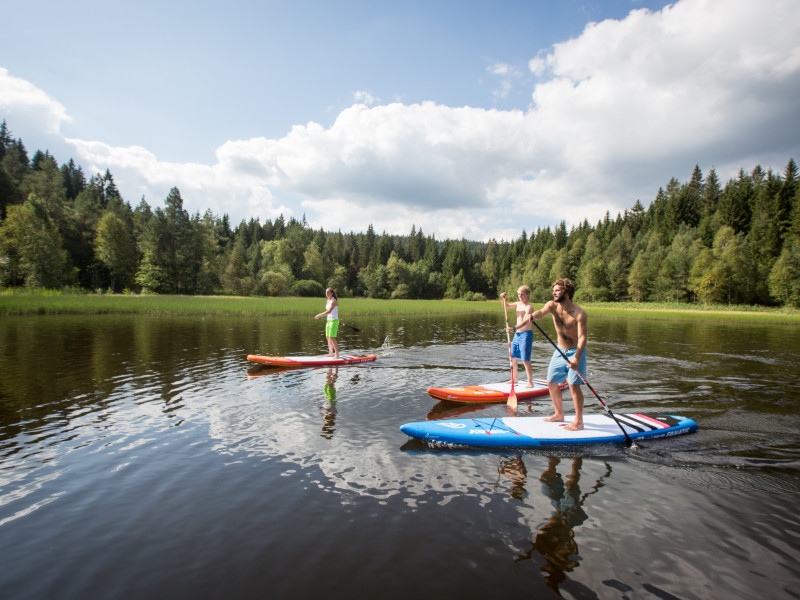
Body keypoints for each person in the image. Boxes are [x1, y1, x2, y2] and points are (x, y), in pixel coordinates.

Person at [531, 278, 587, 430]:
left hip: (576, 351)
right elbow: (541, 313)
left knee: (574, 386)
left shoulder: (579, 313)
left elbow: (582, 338)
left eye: (557, 290)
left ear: (567, 292)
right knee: (551, 382)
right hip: (560, 350)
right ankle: (559, 414)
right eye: (553, 290)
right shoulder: (552, 305)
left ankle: (579, 421)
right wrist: (533, 316)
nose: (553, 293)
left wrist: (576, 358)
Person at [500, 285, 534, 388]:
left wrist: (513, 328)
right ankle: (514, 378)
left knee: (525, 359)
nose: (520, 296)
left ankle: (530, 382)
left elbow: (525, 321)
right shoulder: (518, 304)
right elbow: (506, 306)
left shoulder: (529, 307)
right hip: (517, 334)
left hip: (526, 334)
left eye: (522, 294)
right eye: (519, 294)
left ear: (527, 294)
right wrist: (503, 298)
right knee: (513, 356)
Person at [314, 288, 339, 358]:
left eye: (328, 292)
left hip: (334, 321)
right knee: (328, 337)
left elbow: (329, 311)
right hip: (329, 321)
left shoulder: (333, 301)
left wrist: (319, 315)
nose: (326, 294)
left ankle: (337, 355)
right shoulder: (328, 300)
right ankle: (331, 353)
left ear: (332, 293)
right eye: (326, 292)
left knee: (332, 338)